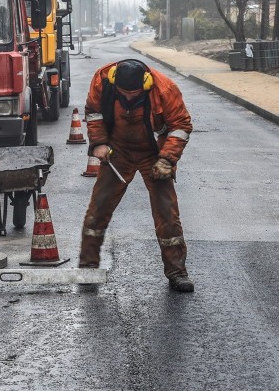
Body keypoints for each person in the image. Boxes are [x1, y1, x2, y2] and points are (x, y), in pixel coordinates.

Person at [79, 59, 195, 292]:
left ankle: (177, 272)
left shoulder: (165, 89)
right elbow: (94, 114)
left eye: (134, 94)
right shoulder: (102, 80)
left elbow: (180, 126)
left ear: (146, 83)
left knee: (167, 213)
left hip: (153, 152)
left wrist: (166, 160)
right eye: (125, 94)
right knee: (98, 208)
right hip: (117, 151)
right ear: (115, 83)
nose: (129, 99)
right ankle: (88, 267)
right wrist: (99, 143)